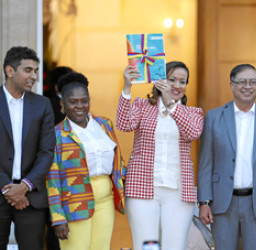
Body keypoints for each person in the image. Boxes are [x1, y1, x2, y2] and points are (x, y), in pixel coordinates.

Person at [197, 64, 256, 250]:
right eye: (242, 82)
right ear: (231, 84)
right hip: (222, 203)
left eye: (253, 82)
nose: (248, 86)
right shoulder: (214, 117)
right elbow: (206, 162)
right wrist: (203, 201)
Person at [116, 61, 204, 250]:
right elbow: (124, 124)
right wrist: (127, 86)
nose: (177, 85)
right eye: (172, 80)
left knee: (174, 247)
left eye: (182, 81)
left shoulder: (193, 113)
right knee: (146, 246)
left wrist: (171, 105)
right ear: (160, 81)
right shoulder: (142, 105)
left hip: (179, 194)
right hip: (143, 189)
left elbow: (192, 133)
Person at [46, 72, 126, 250]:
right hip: (74, 204)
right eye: (72, 102)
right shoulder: (56, 135)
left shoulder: (105, 125)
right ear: (62, 104)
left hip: (105, 201)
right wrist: (57, 217)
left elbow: (117, 162)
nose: (79, 106)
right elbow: (52, 179)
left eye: (84, 101)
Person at [0, 46, 55, 249]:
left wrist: (24, 186)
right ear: (10, 71)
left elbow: (47, 151)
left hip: (31, 197)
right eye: (28, 70)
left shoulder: (43, 105)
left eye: (36, 71)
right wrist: (8, 189)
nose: (34, 76)